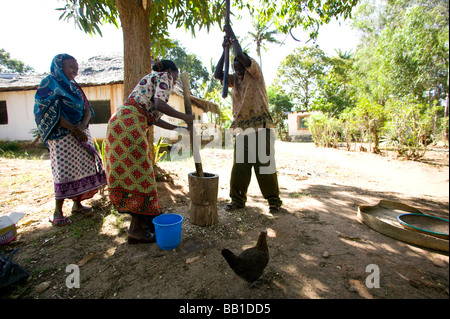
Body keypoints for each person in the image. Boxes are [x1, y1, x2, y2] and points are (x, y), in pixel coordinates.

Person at [104, 60, 194, 244]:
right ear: (170, 71)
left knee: (134, 178)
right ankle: (137, 231)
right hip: (130, 125)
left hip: (119, 123)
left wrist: (178, 128)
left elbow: (154, 118)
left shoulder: (149, 82)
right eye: (175, 78)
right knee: (141, 177)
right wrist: (185, 117)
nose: (174, 83)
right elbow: (160, 104)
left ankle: (143, 226)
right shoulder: (163, 76)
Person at [214, 25, 282, 215]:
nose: (239, 70)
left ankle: (273, 201)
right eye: (235, 67)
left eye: (240, 66)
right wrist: (224, 51)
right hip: (242, 129)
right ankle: (237, 200)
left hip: (261, 126)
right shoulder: (235, 81)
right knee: (240, 168)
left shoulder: (255, 73)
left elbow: (242, 56)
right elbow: (218, 74)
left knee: (265, 165)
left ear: (246, 65)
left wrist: (232, 37)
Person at [34, 54, 107, 226]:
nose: (75, 72)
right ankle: (57, 211)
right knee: (64, 171)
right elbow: (49, 113)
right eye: (71, 68)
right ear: (59, 66)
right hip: (62, 137)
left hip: (81, 133)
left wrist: (81, 127)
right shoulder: (48, 84)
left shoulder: (74, 87)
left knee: (82, 167)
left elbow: (87, 109)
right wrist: (74, 129)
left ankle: (77, 204)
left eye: (77, 69)